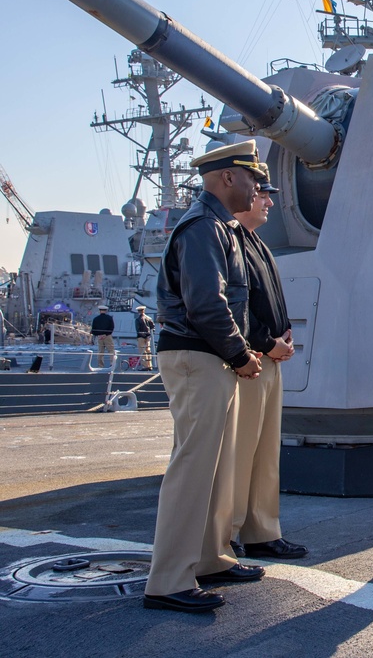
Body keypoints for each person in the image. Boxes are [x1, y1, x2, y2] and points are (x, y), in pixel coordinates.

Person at [143, 140, 265, 614]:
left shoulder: (222, 228)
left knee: (215, 467)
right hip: (198, 356)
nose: (258, 188)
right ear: (228, 177)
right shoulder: (202, 228)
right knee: (193, 469)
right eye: (252, 178)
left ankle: (211, 557)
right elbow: (206, 304)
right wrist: (240, 355)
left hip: (210, 357)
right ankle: (168, 579)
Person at [230, 164, 307, 561]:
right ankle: (225, 537)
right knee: (240, 454)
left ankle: (261, 531)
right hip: (251, 361)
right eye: (263, 194)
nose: (269, 202)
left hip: (270, 357)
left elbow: (267, 299)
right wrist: (266, 342)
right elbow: (234, 308)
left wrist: (285, 334)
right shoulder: (231, 241)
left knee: (264, 453)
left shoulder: (256, 242)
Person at [134, 305, 155, 370]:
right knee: (148, 351)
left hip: (141, 337)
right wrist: (149, 335)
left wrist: (143, 335)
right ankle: (150, 366)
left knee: (142, 352)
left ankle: (145, 366)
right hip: (148, 336)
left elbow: (138, 330)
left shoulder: (137, 320)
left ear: (138, 311)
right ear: (144, 311)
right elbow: (153, 328)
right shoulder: (149, 318)